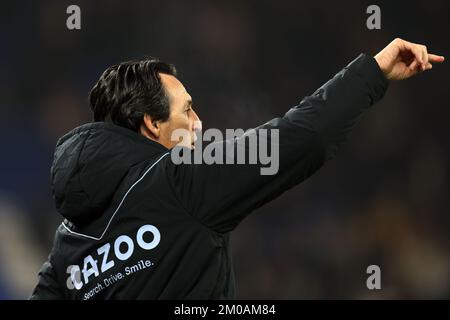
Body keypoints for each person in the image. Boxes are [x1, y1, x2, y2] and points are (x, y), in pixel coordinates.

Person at [30, 38, 444, 299]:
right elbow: (297, 138)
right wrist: (373, 72)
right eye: (187, 110)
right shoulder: (179, 180)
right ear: (152, 124)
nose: (198, 124)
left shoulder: (68, 247)